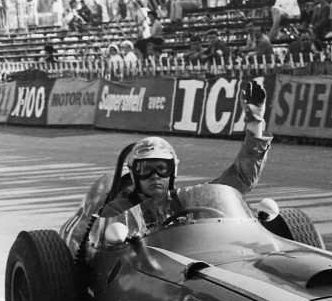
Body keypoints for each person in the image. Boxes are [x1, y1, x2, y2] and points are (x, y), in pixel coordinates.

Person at [100, 81, 271, 229]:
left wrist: (255, 123)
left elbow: (240, 178)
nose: (154, 176)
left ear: (172, 171)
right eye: (145, 169)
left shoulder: (187, 201)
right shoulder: (117, 210)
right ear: (134, 173)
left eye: (162, 168)